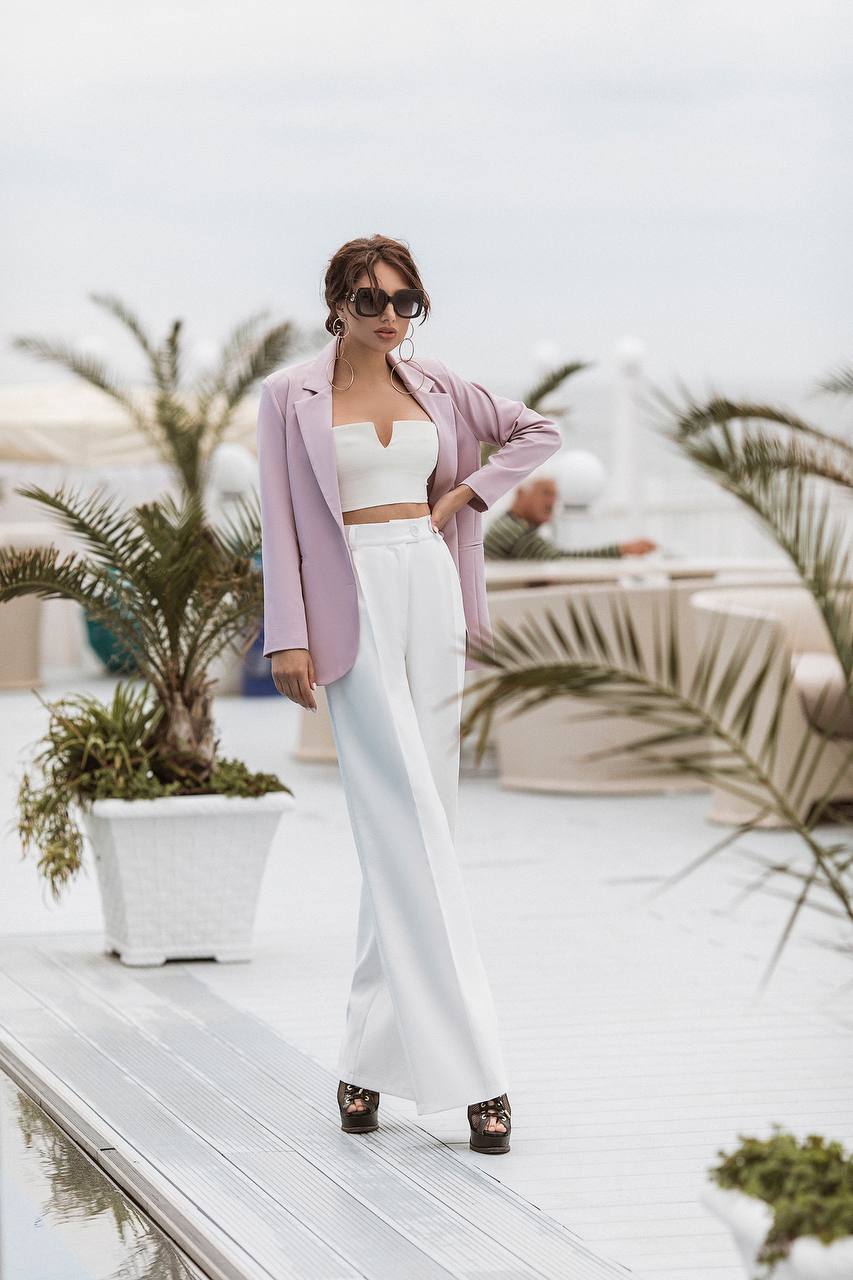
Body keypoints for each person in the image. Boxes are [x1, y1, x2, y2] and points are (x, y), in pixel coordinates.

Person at [255, 235, 562, 1154]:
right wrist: (289, 633)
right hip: (350, 604)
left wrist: (463, 495)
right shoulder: (289, 398)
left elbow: (537, 431)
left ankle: (362, 1065)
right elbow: (279, 520)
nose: (388, 316)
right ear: (335, 304)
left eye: (404, 301)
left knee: (419, 829)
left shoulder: (439, 387)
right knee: (408, 827)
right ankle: (477, 1077)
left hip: (428, 590)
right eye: (369, 298)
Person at [485, 475, 658, 560]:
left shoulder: (507, 524)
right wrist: (621, 550)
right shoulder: (516, 532)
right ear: (521, 494)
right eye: (545, 493)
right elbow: (563, 562)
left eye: (555, 496)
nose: (552, 501)